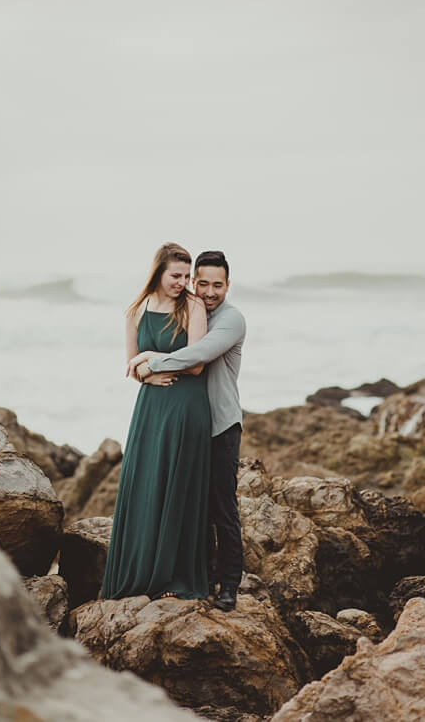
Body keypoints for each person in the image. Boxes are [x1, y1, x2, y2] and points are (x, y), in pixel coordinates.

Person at [128, 251, 246, 611]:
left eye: (218, 285)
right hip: (188, 425)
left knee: (222, 508)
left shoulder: (230, 320)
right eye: (203, 283)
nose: (209, 291)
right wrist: (143, 367)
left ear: (228, 285)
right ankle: (200, 574)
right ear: (195, 282)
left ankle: (228, 585)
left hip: (220, 425)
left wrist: (147, 360)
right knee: (192, 505)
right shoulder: (189, 311)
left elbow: (197, 357)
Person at [100, 243, 213, 602]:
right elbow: (131, 366)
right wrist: (147, 375)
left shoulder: (193, 306)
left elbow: (196, 364)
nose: (182, 282)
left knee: (179, 485)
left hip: (186, 405)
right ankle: (140, 572)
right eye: (175, 276)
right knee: (147, 485)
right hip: (150, 408)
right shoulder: (136, 310)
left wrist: (153, 358)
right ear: (158, 273)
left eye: (186, 275)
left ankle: (175, 578)